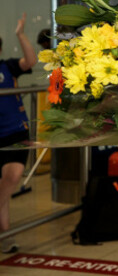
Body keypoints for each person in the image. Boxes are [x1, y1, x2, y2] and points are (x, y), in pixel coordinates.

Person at [0, 13, 37, 253]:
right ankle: (6, 235)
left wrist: (20, 34)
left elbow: (31, 61)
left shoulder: (8, 67)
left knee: (13, 176)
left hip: (14, 131)